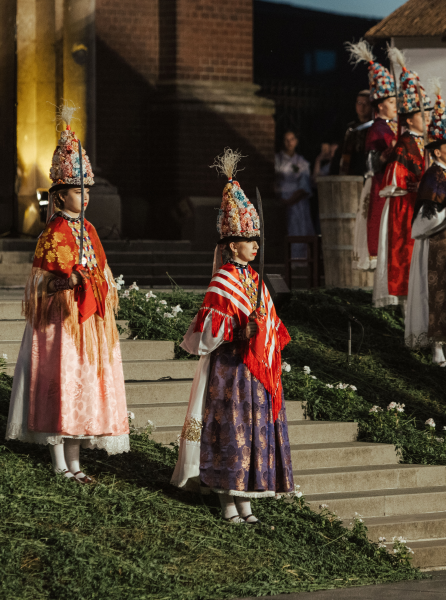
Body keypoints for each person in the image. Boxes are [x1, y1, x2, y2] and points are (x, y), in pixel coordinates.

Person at [6, 104, 129, 483]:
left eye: (87, 189)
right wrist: (68, 283)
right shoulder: (54, 233)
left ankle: (76, 462)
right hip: (60, 325)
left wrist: (98, 286)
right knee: (62, 385)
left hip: (86, 322)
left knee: (82, 388)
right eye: (77, 190)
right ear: (59, 196)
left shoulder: (90, 231)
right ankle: (60, 462)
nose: (85, 196)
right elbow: (41, 284)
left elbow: (102, 270)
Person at [172, 148, 293, 524]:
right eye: (248, 238)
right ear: (230, 244)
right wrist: (240, 330)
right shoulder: (223, 281)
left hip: (256, 371)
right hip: (230, 372)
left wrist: (267, 334)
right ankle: (227, 501)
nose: (255, 245)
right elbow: (208, 334)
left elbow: (271, 320)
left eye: (256, 238)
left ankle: (247, 498)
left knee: (253, 432)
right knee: (230, 432)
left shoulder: (255, 280)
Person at [405, 81, 446, 367]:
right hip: (436, 245)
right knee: (437, 294)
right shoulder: (432, 179)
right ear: (435, 151)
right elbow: (420, 224)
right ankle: (436, 350)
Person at [372, 47, 432, 308]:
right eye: (422, 113)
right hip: (406, 212)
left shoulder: (423, 143)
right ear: (409, 118)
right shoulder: (405, 144)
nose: (428, 118)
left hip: (420, 209)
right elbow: (396, 182)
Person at [345, 40, 398, 272]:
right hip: (379, 185)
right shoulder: (377, 129)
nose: (395, 105)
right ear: (380, 105)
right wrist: (386, 157)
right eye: (391, 102)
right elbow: (369, 164)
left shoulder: (393, 126)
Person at [275, 130, 315, 259]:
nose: (289, 142)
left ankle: (298, 259)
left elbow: (304, 186)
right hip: (281, 200)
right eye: (286, 139)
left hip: (297, 204)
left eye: (292, 139)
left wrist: (290, 201)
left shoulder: (301, 162)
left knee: (298, 230)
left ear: (296, 141)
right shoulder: (278, 159)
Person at [332, 90, 372, 177]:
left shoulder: (374, 127)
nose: (362, 107)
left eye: (366, 103)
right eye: (359, 103)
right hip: (350, 171)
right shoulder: (350, 127)